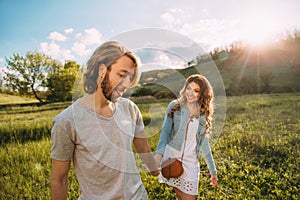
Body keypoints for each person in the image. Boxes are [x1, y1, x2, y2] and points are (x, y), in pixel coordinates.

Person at [50, 41, 160, 200]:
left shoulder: (130, 109)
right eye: (122, 75)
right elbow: (59, 180)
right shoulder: (66, 121)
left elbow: (143, 149)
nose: (127, 85)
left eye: (130, 78)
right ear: (102, 70)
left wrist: (157, 168)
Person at [155, 74, 218, 200]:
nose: (190, 93)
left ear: (202, 93)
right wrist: (158, 156)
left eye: (196, 91)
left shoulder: (202, 112)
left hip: (191, 162)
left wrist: (213, 170)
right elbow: (165, 133)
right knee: (179, 195)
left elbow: (204, 142)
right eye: (189, 88)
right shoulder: (175, 105)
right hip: (172, 158)